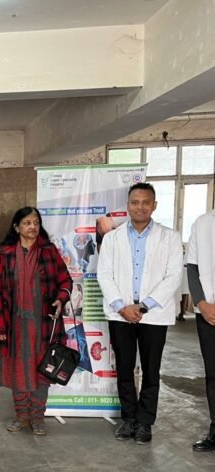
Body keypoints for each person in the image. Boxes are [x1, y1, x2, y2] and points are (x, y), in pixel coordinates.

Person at [97, 183, 182, 444]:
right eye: (135, 202)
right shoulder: (112, 238)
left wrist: (143, 306)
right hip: (120, 313)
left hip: (153, 315)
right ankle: (128, 419)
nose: (140, 207)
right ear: (128, 206)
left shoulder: (170, 237)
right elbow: (104, 275)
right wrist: (122, 306)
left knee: (151, 370)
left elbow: (173, 276)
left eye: (146, 202)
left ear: (154, 205)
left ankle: (145, 422)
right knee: (124, 369)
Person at [0, 207, 72, 436]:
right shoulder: (5, 254)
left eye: (36, 222)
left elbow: (65, 280)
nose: (32, 227)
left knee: (42, 371)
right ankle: (22, 417)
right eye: (27, 223)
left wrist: (60, 298)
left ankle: (37, 417)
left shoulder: (48, 251)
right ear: (17, 227)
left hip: (44, 324)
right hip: (14, 325)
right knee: (18, 370)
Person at [186, 209, 215, 451]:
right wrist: (201, 303)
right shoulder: (203, 223)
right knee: (213, 374)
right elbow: (192, 267)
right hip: (209, 313)